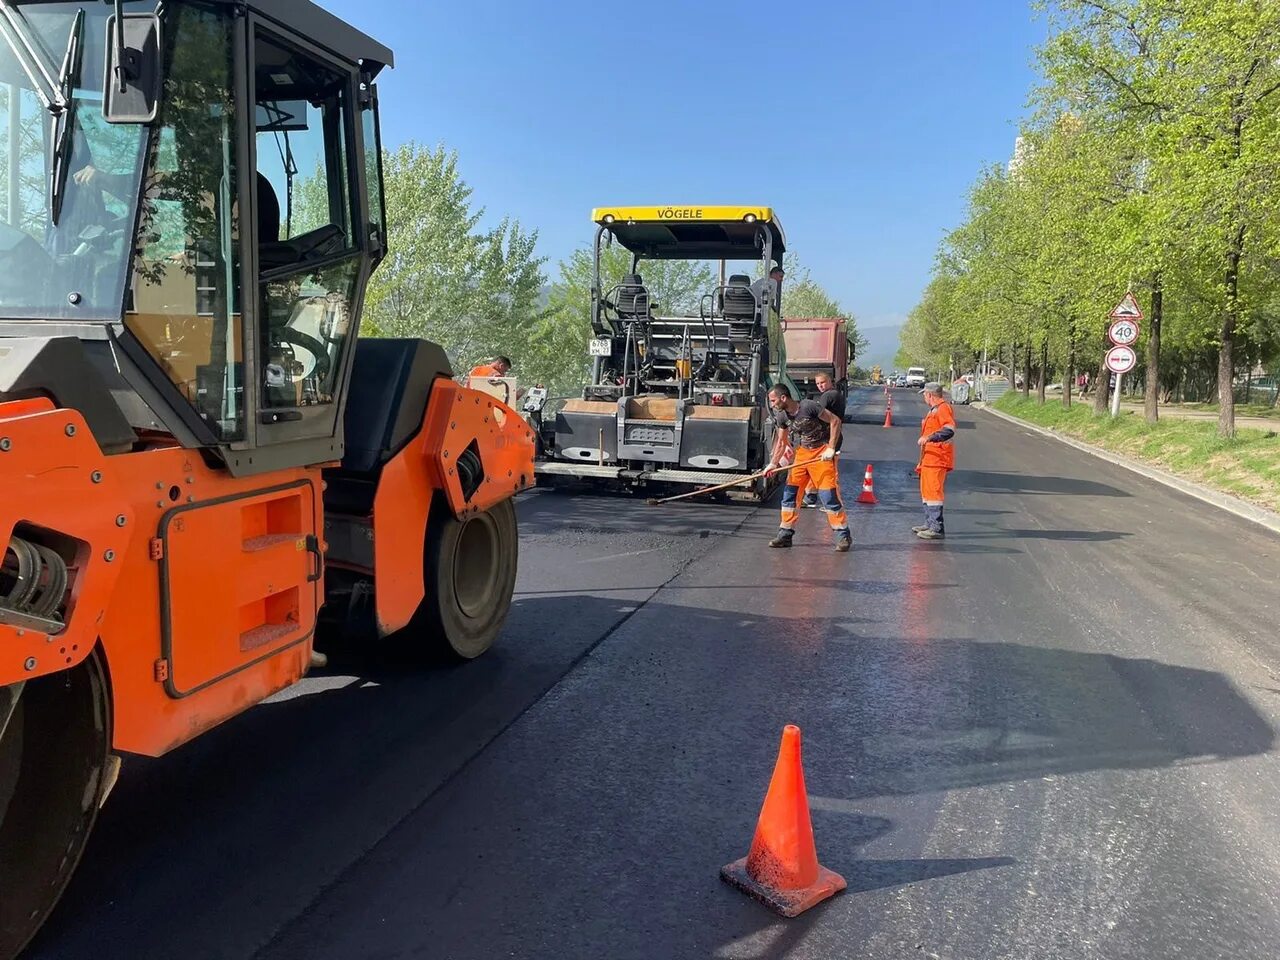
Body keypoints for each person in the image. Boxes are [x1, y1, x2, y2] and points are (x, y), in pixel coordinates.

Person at [764, 384, 851, 552]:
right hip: (802, 454)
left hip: (821, 453)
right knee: (790, 495)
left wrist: (831, 448)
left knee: (828, 496)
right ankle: (785, 534)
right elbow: (782, 443)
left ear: (783, 398)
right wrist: (773, 463)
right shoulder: (782, 417)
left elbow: (835, 421)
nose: (772, 404)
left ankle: (843, 535)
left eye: (774, 400)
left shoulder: (808, 407)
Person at [913, 381, 956, 540]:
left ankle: (936, 528)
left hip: (937, 459)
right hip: (929, 459)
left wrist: (929, 437)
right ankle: (929, 523)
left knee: (934, 493)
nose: (924, 397)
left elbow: (949, 430)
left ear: (929, 395)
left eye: (925, 394)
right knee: (927, 492)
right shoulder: (934, 410)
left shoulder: (943, 408)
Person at [802, 372, 845, 508]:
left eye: (823, 383)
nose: (820, 386)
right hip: (832, 436)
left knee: (828, 471)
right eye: (818, 384)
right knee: (815, 467)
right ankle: (811, 496)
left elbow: (817, 415)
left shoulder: (828, 395)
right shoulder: (836, 394)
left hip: (829, 438)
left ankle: (835, 503)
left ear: (830, 381)